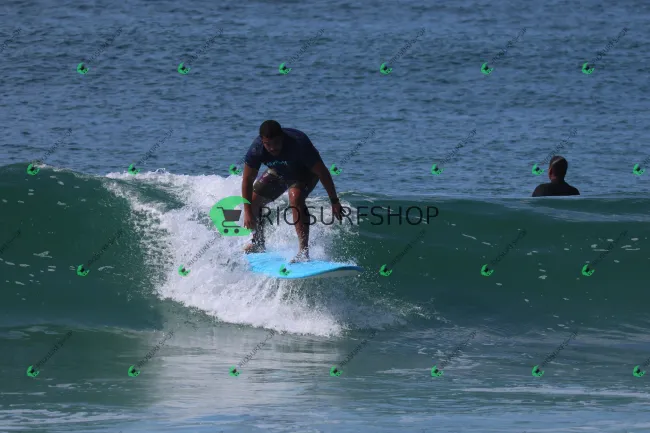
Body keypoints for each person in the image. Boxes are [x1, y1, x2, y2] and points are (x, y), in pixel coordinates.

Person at [241, 120, 343, 262]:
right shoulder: (256, 150)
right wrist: (247, 211)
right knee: (253, 202)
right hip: (279, 171)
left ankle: (303, 252)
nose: (272, 148)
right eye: (268, 144)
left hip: (305, 173)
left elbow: (323, 173)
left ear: (282, 137)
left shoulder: (298, 143)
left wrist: (334, 201)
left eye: (276, 143)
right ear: (262, 141)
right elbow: (247, 181)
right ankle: (258, 243)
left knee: (295, 198)